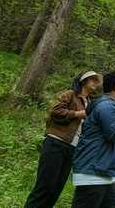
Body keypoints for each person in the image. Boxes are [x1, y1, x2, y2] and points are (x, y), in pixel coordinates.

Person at [25, 71, 102, 208]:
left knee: (56, 189)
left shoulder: (89, 103)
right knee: (44, 187)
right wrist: (78, 114)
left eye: (97, 80)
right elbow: (55, 111)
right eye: (93, 79)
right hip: (56, 142)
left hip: (72, 149)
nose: (96, 81)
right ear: (83, 81)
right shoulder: (70, 94)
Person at [71, 71, 115, 208]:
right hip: (92, 171)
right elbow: (113, 134)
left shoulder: (105, 106)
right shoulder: (107, 106)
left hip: (101, 173)